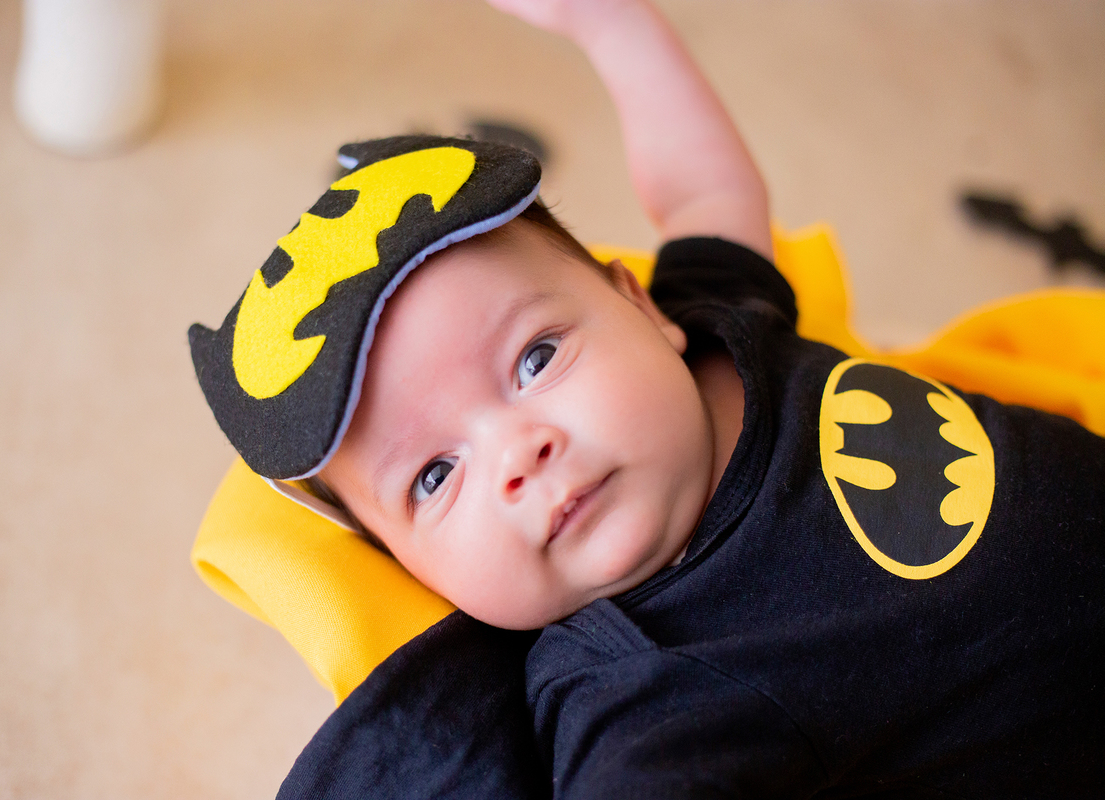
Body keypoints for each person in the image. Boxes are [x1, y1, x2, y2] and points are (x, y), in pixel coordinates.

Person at [191, 0, 1105, 796]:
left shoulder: (716, 321)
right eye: (434, 477)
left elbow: (703, 188)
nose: (519, 453)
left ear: (642, 307)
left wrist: (611, 23)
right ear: (406, 569)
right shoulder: (636, 687)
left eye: (535, 359)